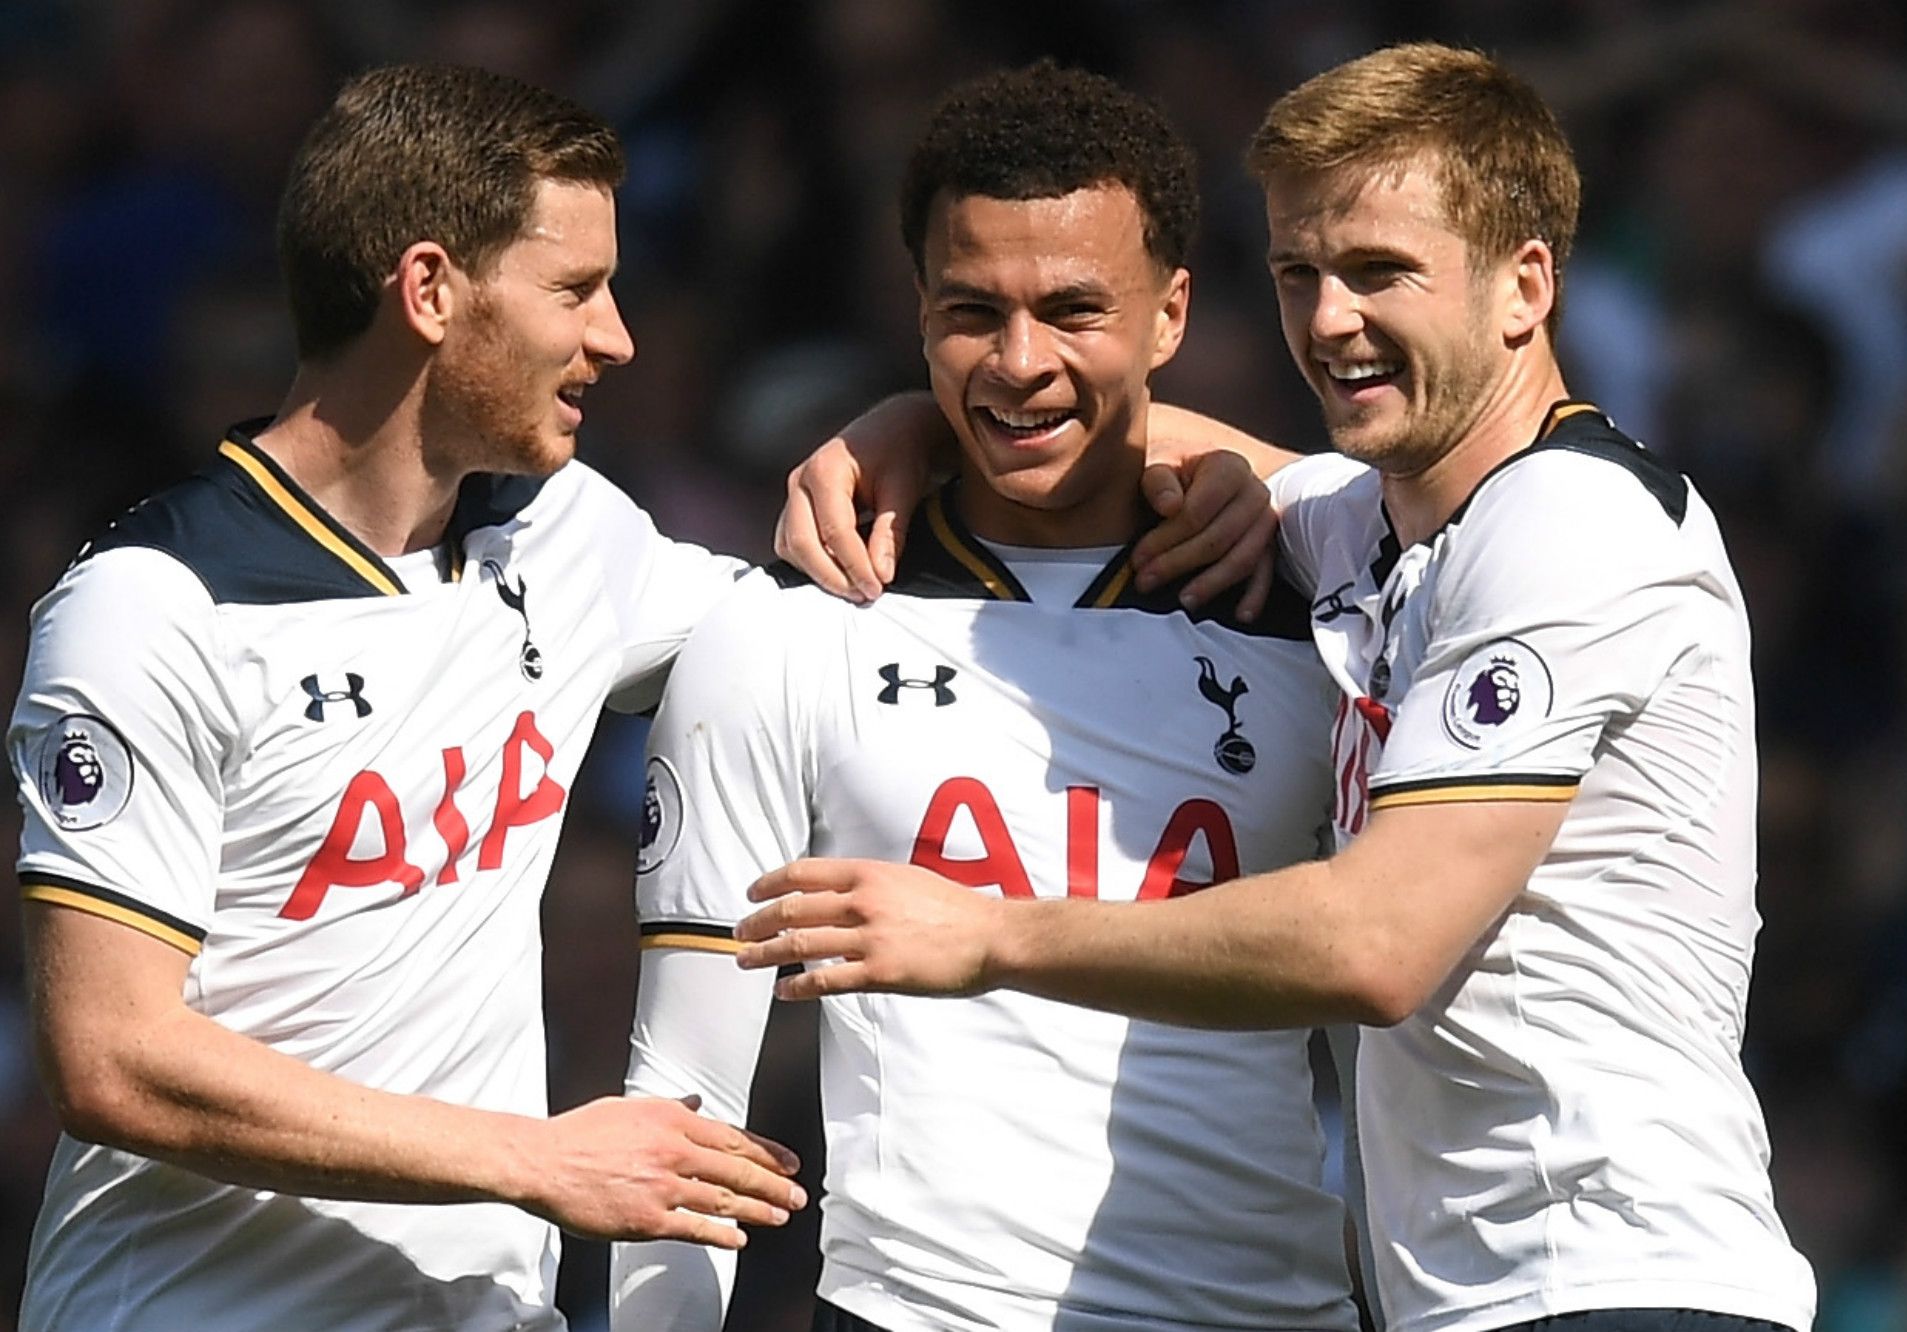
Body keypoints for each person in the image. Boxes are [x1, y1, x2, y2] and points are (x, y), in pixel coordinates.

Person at [7, 61, 1280, 1332]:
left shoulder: (566, 541)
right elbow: (112, 1063)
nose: (616, 336)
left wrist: (943, 422)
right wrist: (530, 1158)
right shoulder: (151, 609)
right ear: (432, 289)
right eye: (576, 290)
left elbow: (830, 621)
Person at [738, 42, 1819, 1332]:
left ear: (1527, 286)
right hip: (1462, 1298)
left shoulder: (1573, 525)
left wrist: (985, 933)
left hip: (1624, 1284)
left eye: (1381, 273)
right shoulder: (1380, 525)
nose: (1329, 321)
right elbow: (1113, 433)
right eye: (1301, 273)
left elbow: (1376, 945)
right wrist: (905, 426)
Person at [611, 60, 1358, 1332]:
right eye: (972, 311)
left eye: (1074, 308)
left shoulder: (1328, 617)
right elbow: (683, 1085)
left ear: (1170, 314)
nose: (1020, 364)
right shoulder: (789, 626)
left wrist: (1269, 481)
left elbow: (1387, 1052)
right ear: (915, 310)